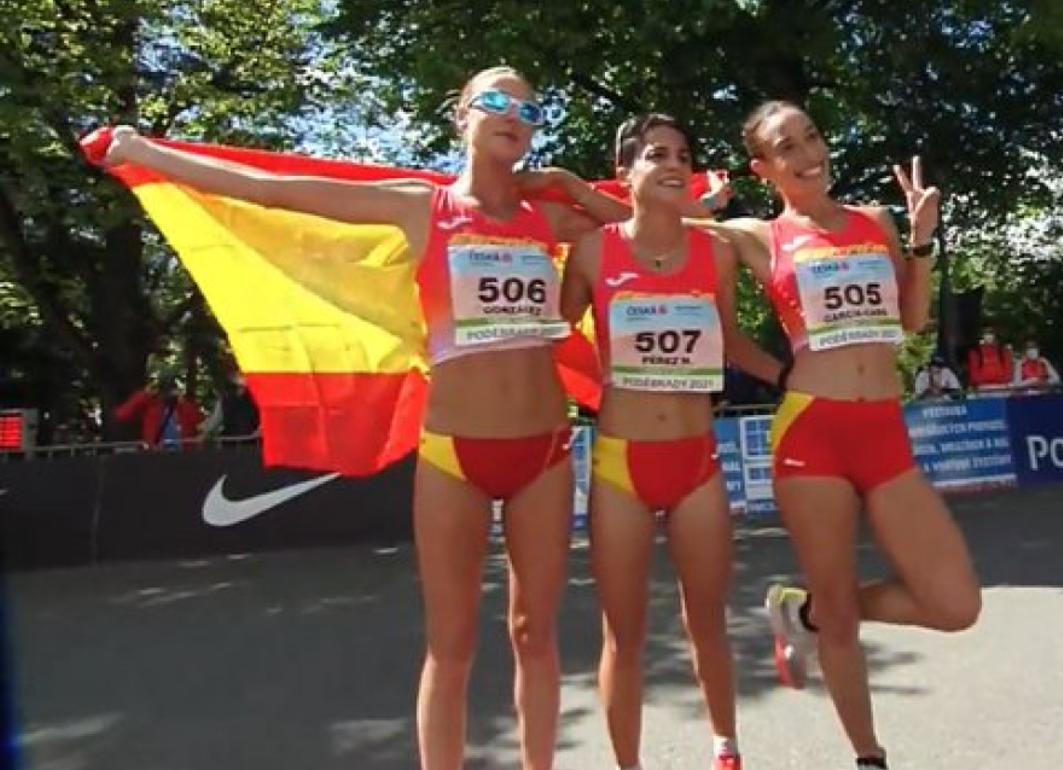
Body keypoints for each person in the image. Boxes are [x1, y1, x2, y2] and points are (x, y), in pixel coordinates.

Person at [106, 66, 628, 770]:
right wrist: (148, 152)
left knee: (536, 636)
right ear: (461, 116)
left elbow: (648, 232)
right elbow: (273, 191)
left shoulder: (553, 218)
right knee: (452, 644)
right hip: (454, 454)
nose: (514, 114)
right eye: (495, 101)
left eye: (529, 108)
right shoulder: (423, 206)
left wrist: (572, 182)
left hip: (545, 452)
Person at [694, 101, 980, 769]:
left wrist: (920, 241)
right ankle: (869, 756)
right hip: (810, 432)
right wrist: (705, 204)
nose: (806, 154)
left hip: (883, 429)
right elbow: (649, 229)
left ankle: (807, 613)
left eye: (812, 137)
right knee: (846, 620)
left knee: (954, 604)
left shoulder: (874, 221)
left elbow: (910, 321)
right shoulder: (754, 236)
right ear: (764, 169)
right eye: (785, 148)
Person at [562, 113, 774, 770]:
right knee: (623, 636)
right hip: (622, 463)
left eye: (683, 153)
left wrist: (798, 376)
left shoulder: (713, 250)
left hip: (696, 463)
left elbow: (734, 343)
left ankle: (727, 750)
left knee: (706, 621)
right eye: (657, 154)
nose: (674, 163)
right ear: (625, 171)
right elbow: (546, 330)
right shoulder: (594, 250)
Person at [113, 374, 202, 449]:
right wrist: (144, 394)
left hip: (183, 455)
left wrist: (183, 403)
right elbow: (122, 415)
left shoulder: (183, 407)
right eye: (165, 391)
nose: (168, 395)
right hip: (156, 455)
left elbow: (199, 425)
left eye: (172, 391)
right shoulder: (151, 406)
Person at [199, 368, 260, 440]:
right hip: (251, 443)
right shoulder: (258, 398)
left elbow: (213, 423)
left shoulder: (224, 400)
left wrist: (203, 430)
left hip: (232, 443)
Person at [966, 326, 1012, 390]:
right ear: (982, 336)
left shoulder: (1003, 350)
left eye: (991, 333)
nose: (989, 336)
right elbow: (973, 371)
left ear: (995, 336)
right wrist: (978, 384)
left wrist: (1005, 383)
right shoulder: (975, 351)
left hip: (1001, 386)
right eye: (986, 334)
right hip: (983, 387)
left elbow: (1008, 369)